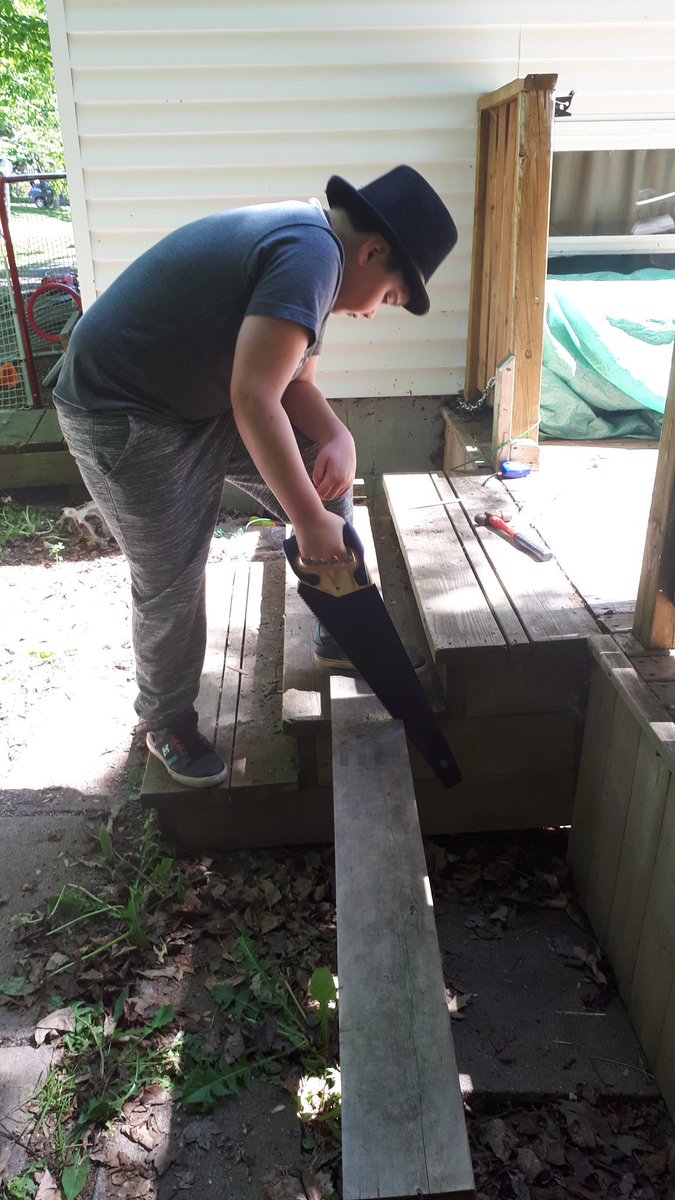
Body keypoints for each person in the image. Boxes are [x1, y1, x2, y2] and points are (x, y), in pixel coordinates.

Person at [53, 165, 458, 788]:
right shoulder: (311, 256)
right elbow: (253, 396)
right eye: (390, 297)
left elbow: (292, 384)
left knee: (325, 476)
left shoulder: (319, 256)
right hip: (123, 414)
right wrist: (307, 521)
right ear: (373, 251)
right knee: (172, 574)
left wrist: (338, 437)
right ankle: (165, 721)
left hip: (195, 399)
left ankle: (340, 626)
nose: (376, 314)